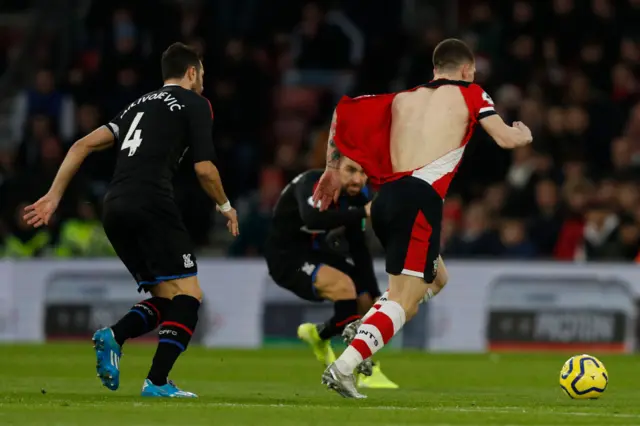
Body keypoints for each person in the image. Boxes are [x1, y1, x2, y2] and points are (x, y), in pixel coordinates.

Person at [313, 38, 533, 398]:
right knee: (404, 300)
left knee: (437, 277)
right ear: (467, 71)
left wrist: (332, 168)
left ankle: (369, 327)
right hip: (418, 201)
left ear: (434, 70)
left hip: (387, 202)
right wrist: (523, 134)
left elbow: (342, 111)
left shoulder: (404, 97)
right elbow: (505, 139)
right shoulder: (472, 92)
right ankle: (345, 366)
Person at [23, 42, 239, 398]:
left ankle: (114, 336)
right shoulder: (197, 103)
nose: (203, 80)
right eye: (201, 73)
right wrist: (225, 205)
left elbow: (81, 145)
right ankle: (156, 382)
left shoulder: (138, 104)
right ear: (190, 72)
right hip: (152, 201)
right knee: (190, 294)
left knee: (168, 299)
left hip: (115, 206)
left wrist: (53, 195)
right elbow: (204, 168)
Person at [264, 158, 398, 389]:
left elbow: (359, 248)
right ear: (334, 168)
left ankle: (320, 335)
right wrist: (361, 213)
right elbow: (312, 217)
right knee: (343, 286)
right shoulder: (311, 183)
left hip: (314, 253)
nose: (358, 179)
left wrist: (375, 293)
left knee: (364, 298)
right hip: (286, 259)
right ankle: (360, 368)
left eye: (364, 173)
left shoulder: (357, 197)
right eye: (351, 171)